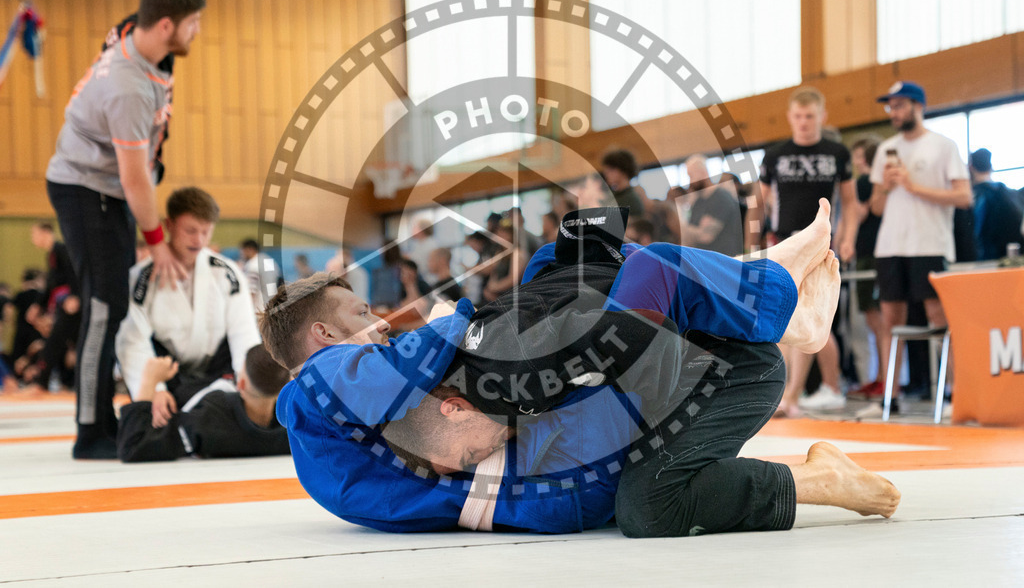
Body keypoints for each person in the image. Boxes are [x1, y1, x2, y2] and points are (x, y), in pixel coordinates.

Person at [265, 202, 900, 535]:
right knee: (647, 507)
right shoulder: (318, 391)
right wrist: (452, 323)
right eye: (359, 312)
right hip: (590, 449)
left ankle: (779, 293)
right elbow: (408, 373)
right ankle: (816, 475)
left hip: (656, 397)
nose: (378, 319)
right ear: (322, 335)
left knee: (588, 281)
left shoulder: (348, 428)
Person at [42, 0, 283, 459]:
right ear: (168, 27)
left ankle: (105, 412)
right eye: (193, 24)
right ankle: (90, 432)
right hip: (86, 189)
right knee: (104, 301)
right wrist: (155, 242)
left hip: (113, 185)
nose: (200, 27)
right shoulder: (128, 86)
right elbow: (133, 178)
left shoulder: (143, 32)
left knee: (112, 300)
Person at [864, 82, 972, 413]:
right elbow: (876, 208)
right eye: (890, 107)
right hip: (891, 246)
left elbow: (964, 197)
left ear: (917, 105)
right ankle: (890, 397)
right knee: (889, 321)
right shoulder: (886, 149)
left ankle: (956, 394)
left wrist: (914, 187)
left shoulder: (943, 145)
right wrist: (886, 187)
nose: (894, 112)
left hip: (929, 243)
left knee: (939, 318)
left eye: (899, 105)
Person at [116, 188, 262, 427]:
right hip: (169, 376)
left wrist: (248, 381)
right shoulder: (141, 278)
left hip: (218, 372)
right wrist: (155, 389)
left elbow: (243, 331)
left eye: (206, 231)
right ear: (169, 225)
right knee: (167, 417)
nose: (199, 240)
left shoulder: (227, 272)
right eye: (191, 230)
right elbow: (133, 341)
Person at [760, 87, 858, 415]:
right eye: (799, 116)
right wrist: (755, 242)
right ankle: (804, 390)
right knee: (787, 315)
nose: (804, 122)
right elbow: (760, 202)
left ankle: (796, 394)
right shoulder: (774, 155)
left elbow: (851, 203)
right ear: (790, 117)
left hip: (820, 241)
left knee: (810, 315)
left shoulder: (836, 153)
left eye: (810, 116)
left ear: (822, 117)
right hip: (784, 241)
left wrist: (848, 237)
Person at [117, 344, 290, 462]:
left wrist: (149, 382)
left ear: (240, 384)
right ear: (287, 385)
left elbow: (134, 447)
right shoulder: (293, 430)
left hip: (189, 394)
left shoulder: (210, 417)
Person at [846, 136, 887, 399]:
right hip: (875, 253)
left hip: (870, 255)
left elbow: (860, 212)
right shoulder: (876, 183)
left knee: (877, 322)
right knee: (878, 322)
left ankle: (885, 378)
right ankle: (882, 377)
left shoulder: (865, 182)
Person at [27, 222, 80, 392]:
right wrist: (38, 306)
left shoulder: (61, 249)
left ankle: (41, 383)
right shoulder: (52, 254)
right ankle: (67, 383)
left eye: (34, 234)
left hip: (69, 303)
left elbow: (75, 272)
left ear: (45, 232)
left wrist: (76, 296)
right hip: (62, 302)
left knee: (54, 342)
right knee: (66, 344)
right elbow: (51, 284)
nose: (33, 239)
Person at [679, 155, 743, 255]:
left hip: (725, 259)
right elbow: (690, 239)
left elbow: (706, 236)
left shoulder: (721, 197)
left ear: (703, 173)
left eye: (691, 176)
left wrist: (685, 228)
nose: (690, 182)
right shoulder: (698, 202)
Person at [969, 148, 1024, 260]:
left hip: (988, 257)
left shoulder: (979, 195)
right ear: (991, 167)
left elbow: (975, 233)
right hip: (1013, 255)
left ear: (971, 168)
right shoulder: (1007, 191)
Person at [240, 238, 284, 310]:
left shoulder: (253, 264)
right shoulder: (268, 260)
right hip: (273, 303)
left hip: (259, 307)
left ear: (250, 249)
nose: (241, 253)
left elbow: (252, 290)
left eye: (242, 250)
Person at [601, 149, 646, 218]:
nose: (606, 174)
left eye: (610, 170)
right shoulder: (612, 195)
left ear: (622, 170)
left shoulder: (632, 199)